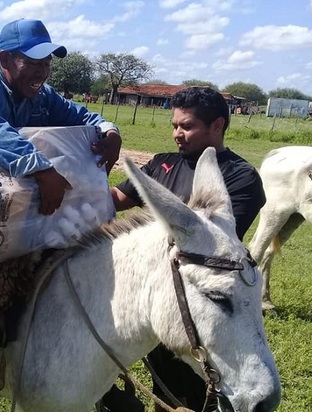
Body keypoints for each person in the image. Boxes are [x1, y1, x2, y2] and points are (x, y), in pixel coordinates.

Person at [0, 18, 122, 412]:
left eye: (47, 62)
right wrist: (43, 169)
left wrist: (107, 129)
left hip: (15, 197)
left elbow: (79, 114)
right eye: (32, 62)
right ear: (5, 59)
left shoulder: (40, 93)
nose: (42, 70)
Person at [100, 86, 266, 412]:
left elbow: (210, 239)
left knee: (197, 394)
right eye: (174, 125)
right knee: (165, 388)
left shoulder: (239, 178)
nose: (177, 133)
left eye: (186, 126)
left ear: (217, 126)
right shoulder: (164, 165)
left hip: (202, 307)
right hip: (158, 298)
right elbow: (115, 199)